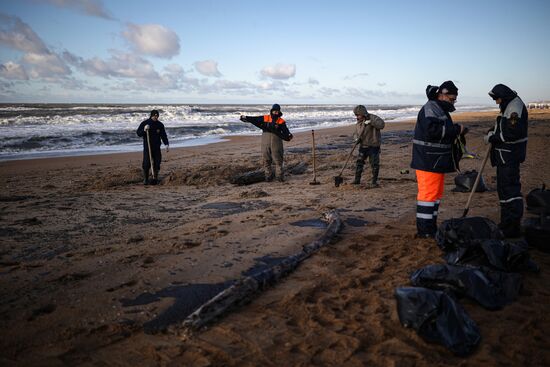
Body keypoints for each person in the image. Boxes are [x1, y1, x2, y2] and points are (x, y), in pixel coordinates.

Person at [411, 81, 466, 238]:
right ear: (442, 94)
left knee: (435, 194)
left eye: (455, 99)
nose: (453, 102)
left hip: (434, 160)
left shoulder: (437, 107)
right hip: (428, 160)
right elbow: (432, 131)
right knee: (428, 196)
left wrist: (456, 130)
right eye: (451, 99)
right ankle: (425, 231)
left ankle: (431, 227)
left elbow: (438, 129)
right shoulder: (431, 108)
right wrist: (456, 129)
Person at [485, 84, 528, 237]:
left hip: (510, 156)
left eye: (497, 98)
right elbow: (505, 125)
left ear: (503, 96)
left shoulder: (515, 106)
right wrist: (494, 130)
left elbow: (513, 132)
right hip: (505, 157)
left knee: (510, 191)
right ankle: (506, 223)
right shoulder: (510, 104)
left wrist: (493, 137)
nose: (496, 102)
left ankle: (512, 227)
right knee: (504, 190)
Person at [240, 104, 293, 182]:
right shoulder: (265, 118)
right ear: (271, 111)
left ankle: (279, 177)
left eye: (277, 111)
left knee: (278, 160)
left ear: (279, 112)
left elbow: (285, 130)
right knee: (266, 159)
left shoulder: (281, 121)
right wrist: (246, 118)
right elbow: (255, 119)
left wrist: (289, 134)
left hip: (277, 141)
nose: (275, 113)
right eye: (274, 111)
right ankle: (268, 177)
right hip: (265, 139)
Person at [352, 105, 385, 188]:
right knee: (359, 163)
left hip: (373, 146)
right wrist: (356, 139)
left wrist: (371, 122)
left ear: (363, 113)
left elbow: (382, 125)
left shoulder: (373, 117)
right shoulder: (359, 122)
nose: (357, 117)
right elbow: (356, 133)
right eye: (356, 115)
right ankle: (357, 180)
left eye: (358, 115)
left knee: (374, 164)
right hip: (363, 146)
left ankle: (374, 182)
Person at [136, 109, 169, 185]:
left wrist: (166, 144)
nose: (156, 117)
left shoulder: (160, 125)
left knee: (157, 163)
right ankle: (146, 179)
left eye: (157, 116)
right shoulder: (145, 123)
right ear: (151, 115)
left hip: (157, 147)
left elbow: (163, 135)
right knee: (146, 163)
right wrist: (144, 130)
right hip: (148, 147)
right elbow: (138, 133)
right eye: (154, 116)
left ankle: (155, 177)